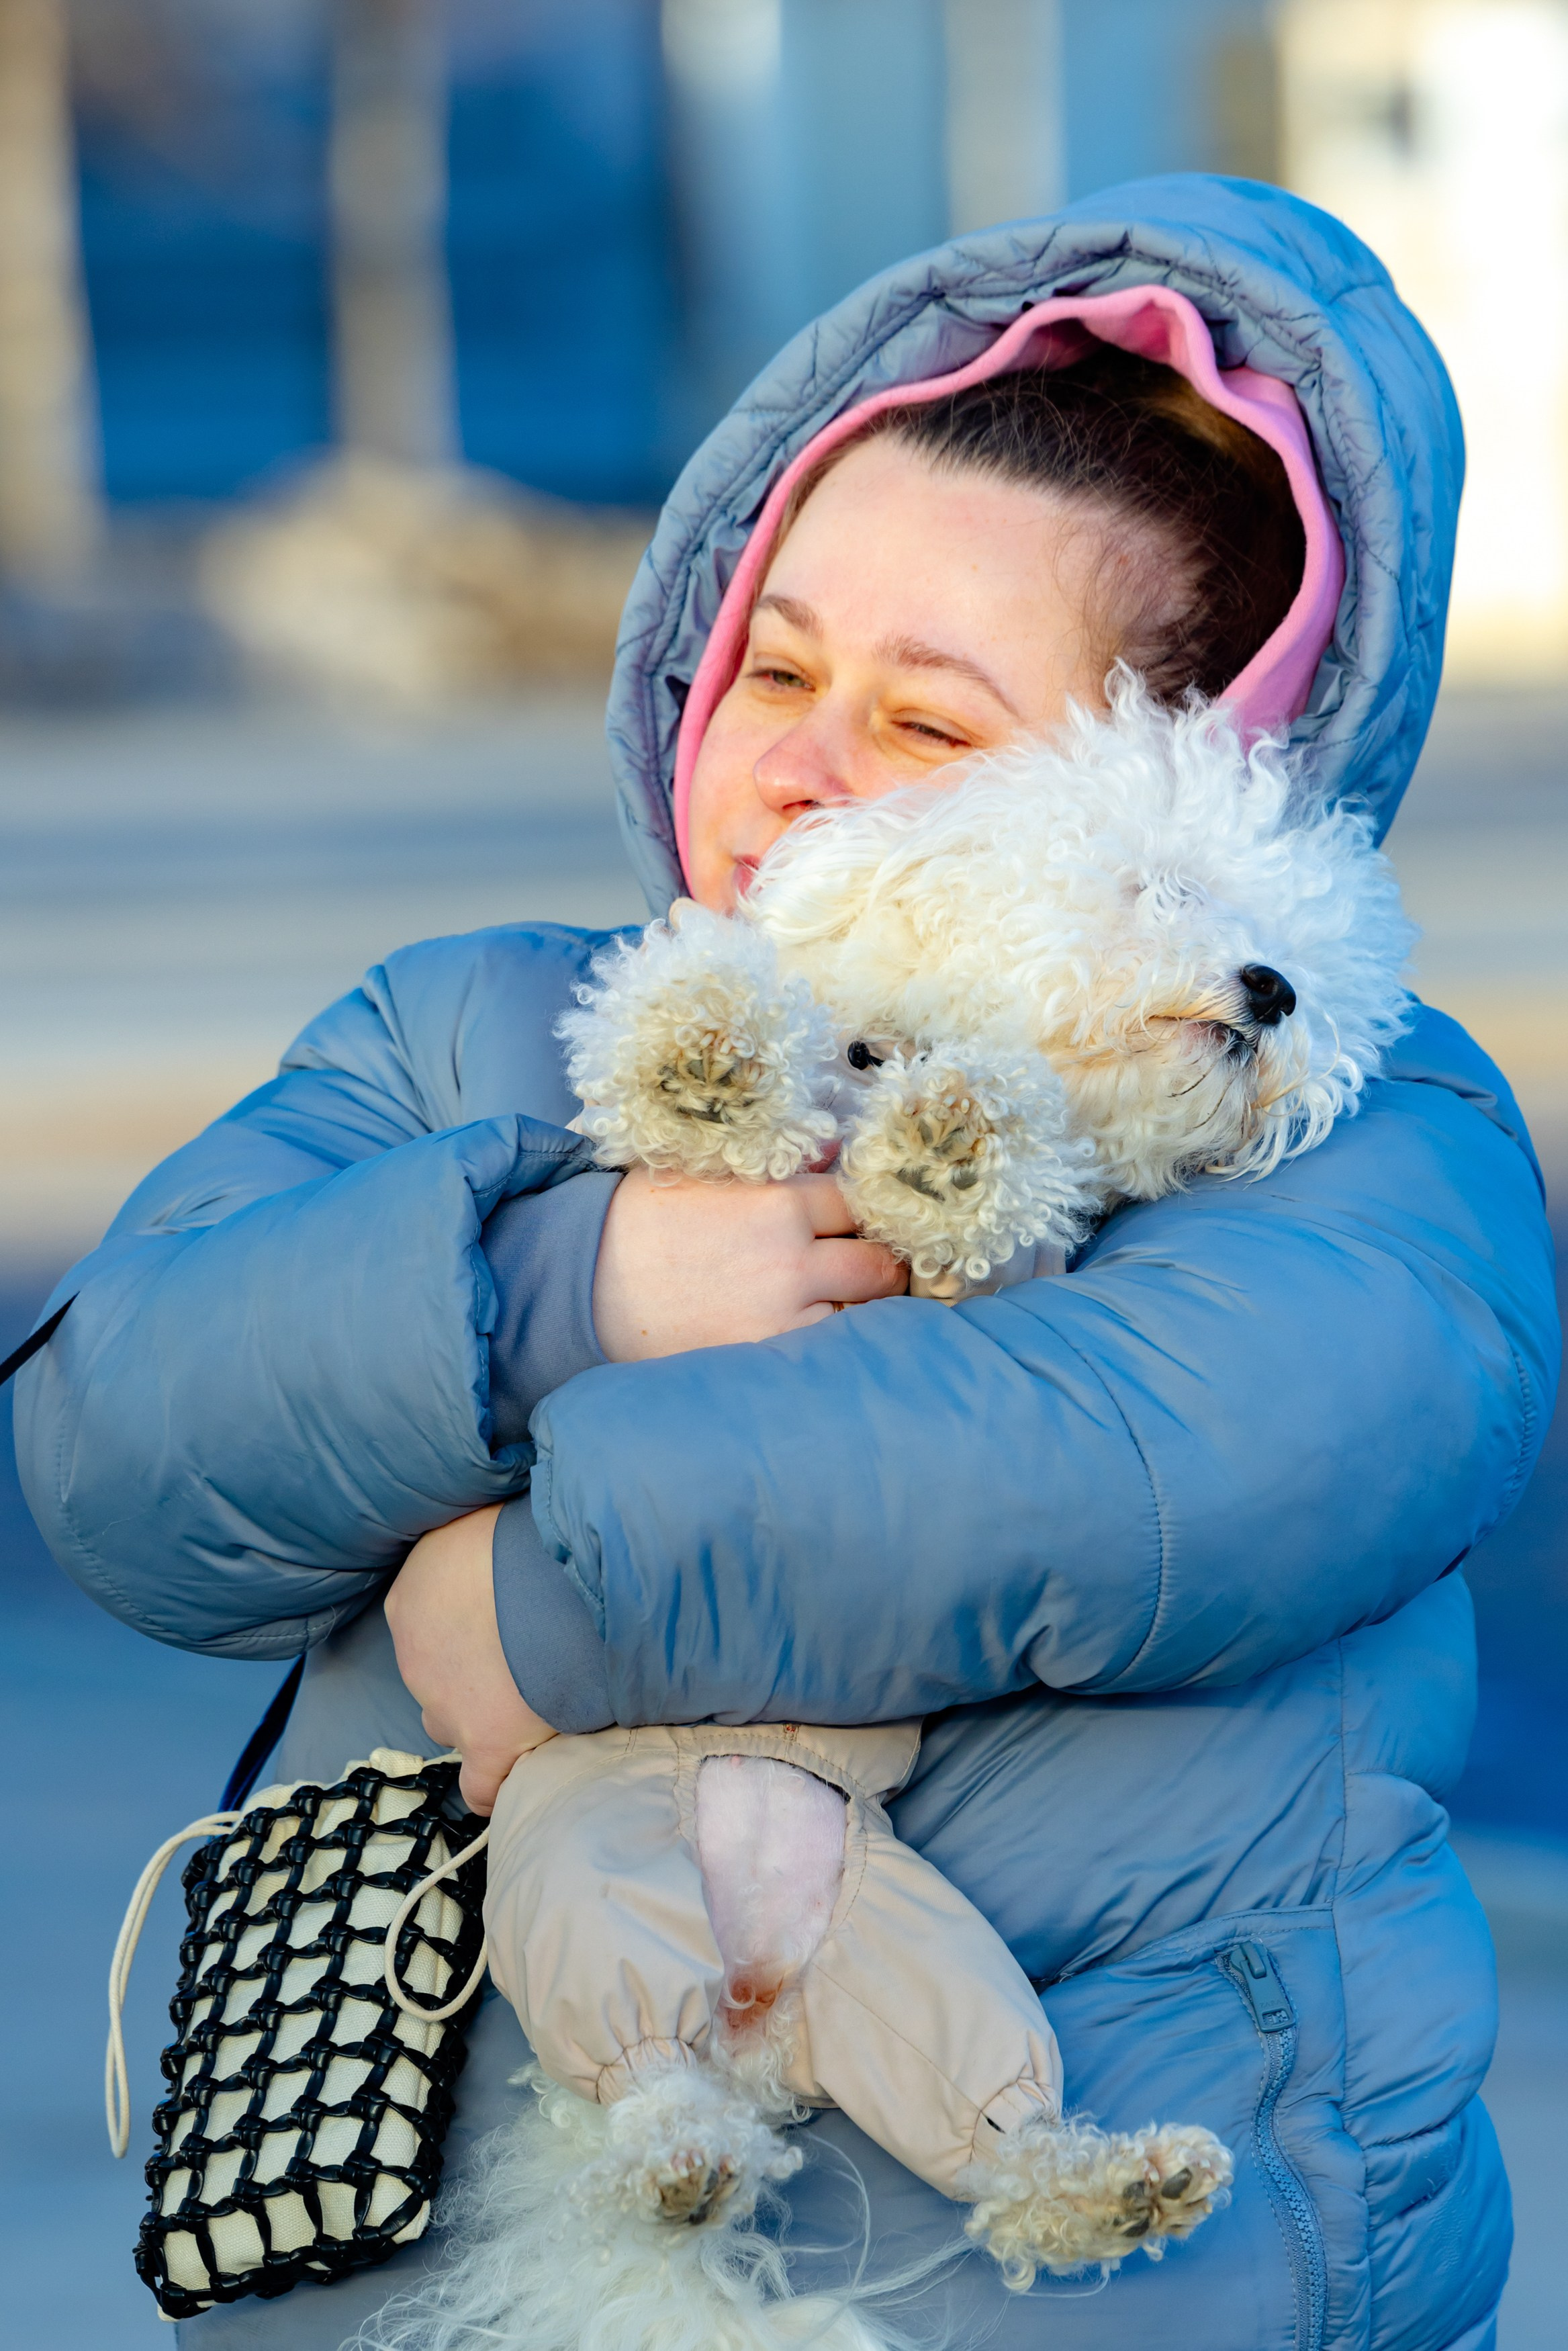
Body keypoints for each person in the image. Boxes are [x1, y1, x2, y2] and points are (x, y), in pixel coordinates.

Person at [15, 176, 1557, 2351]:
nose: (798, 765)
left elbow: (1158, 1461)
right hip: (461, 2265)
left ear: (1198, 799)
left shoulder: (1339, 1126)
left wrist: (545, 1600)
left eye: (929, 726)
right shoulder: (480, 1032)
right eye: (775, 660)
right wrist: (573, 1287)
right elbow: (116, 1434)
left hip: (1101, 2278)